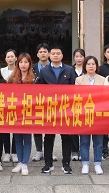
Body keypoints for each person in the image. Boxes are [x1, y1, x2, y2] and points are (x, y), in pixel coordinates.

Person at [35, 44, 76, 174]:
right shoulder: (44, 71)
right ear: (49, 55)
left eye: (58, 53)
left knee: (66, 137)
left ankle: (66, 164)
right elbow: (39, 90)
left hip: (65, 109)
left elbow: (75, 89)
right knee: (48, 137)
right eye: (53, 54)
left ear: (62, 55)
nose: (55, 56)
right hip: (50, 109)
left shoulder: (69, 70)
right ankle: (48, 164)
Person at [75, 55, 105, 175]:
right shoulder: (79, 80)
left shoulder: (103, 79)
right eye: (88, 64)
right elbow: (78, 96)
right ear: (85, 66)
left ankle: (97, 163)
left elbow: (105, 96)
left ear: (96, 66)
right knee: (84, 141)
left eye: (93, 64)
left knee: (98, 141)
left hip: (98, 114)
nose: (91, 66)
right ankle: (85, 163)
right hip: (84, 113)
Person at [7, 53, 35, 175]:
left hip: (29, 113)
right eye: (21, 62)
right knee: (17, 138)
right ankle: (19, 161)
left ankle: (25, 163)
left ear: (30, 64)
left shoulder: (34, 79)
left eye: (26, 62)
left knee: (27, 138)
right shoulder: (12, 78)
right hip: (16, 112)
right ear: (18, 63)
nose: (23, 65)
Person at [31, 43, 50, 162]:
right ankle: (39, 150)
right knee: (36, 125)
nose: (43, 54)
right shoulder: (32, 68)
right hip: (35, 101)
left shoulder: (53, 67)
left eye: (45, 51)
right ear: (37, 54)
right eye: (40, 52)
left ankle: (49, 150)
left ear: (48, 53)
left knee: (49, 126)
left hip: (50, 101)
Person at [0, 48, 18, 163]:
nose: (10, 58)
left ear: (16, 58)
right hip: (4, 103)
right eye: (8, 57)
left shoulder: (20, 70)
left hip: (17, 102)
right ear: (5, 59)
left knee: (16, 127)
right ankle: (7, 152)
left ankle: (14, 152)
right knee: (5, 128)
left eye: (12, 56)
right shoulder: (1, 71)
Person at [70, 48, 86, 162]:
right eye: (77, 56)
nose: (79, 59)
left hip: (86, 102)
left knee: (83, 127)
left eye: (81, 56)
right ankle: (74, 150)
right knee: (73, 127)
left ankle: (83, 151)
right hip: (72, 102)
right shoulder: (69, 70)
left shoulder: (88, 69)